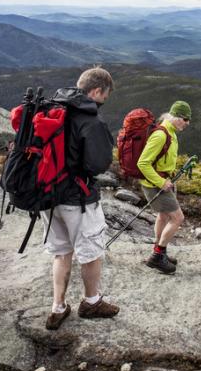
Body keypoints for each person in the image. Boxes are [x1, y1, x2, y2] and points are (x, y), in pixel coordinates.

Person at [44, 67, 119, 331]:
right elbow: (97, 164)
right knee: (90, 252)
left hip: (48, 196)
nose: (103, 101)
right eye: (105, 96)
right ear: (97, 91)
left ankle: (58, 307)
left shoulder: (53, 109)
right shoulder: (90, 121)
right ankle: (91, 301)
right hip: (77, 199)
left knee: (61, 252)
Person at [137, 100, 191, 274]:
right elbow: (143, 163)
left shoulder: (171, 131)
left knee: (163, 216)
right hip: (155, 184)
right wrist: (161, 182)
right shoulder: (161, 135)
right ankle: (158, 257)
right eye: (185, 118)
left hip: (160, 181)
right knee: (177, 218)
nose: (187, 123)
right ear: (175, 116)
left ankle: (159, 250)